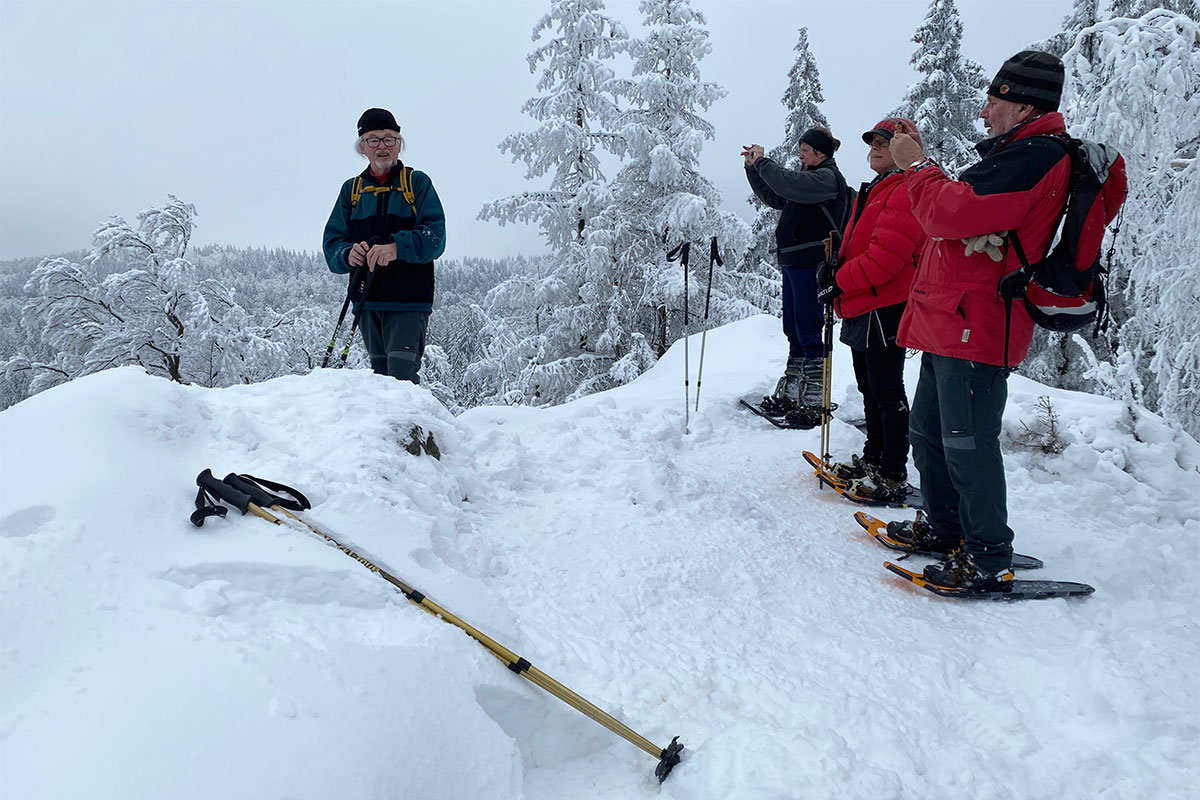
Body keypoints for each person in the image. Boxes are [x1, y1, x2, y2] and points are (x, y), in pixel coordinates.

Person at [884, 51, 1071, 589]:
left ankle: (989, 554)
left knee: (966, 441)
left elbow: (947, 214)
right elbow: (956, 212)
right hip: (952, 318)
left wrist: (917, 168)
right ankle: (948, 528)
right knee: (930, 432)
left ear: (1024, 104)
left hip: (979, 322)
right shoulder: (1014, 152)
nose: (985, 112)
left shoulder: (1035, 154)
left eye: (995, 101)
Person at [814, 118, 926, 505]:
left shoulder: (905, 189)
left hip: (884, 303)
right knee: (870, 388)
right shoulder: (880, 188)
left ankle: (892, 472)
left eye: (887, 140)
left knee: (885, 389)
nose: (876, 145)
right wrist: (834, 269)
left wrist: (839, 281)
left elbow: (886, 258)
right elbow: (864, 247)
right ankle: (875, 459)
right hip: (865, 301)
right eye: (874, 140)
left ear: (907, 147)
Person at [323, 108, 446, 383]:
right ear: (362, 148)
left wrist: (395, 248)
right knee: (379, 384)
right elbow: (332, 244)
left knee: (401, 381)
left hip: (408, 302)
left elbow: (436, 238)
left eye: (389, 139)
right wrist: (347, 254)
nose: (382, 146)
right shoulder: (351, 190)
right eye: (373, 139)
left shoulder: (416, 183)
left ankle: (414, 426)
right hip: (366, 300)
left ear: (399, 145)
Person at [743, 128, 853, 420]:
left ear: (821, 153)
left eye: (805, 150)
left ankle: (815, 394)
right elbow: (776, 194)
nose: (800, 155)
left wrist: (764, 164)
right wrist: (753, 170)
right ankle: (795, 389)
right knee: (793, 325)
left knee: (807, 324)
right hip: (794, 259)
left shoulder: (826, 179)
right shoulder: (808, 180)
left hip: (812, 260)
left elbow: (787, 184)